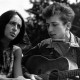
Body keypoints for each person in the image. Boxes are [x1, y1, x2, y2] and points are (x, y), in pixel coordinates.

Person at [22, 2, 80, 80]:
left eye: (54, 25)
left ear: (68, 26)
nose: (49, 30)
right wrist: (27, 74)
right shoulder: (43, 45)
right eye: (47, 25)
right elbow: (20, 62)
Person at [0, 10, 31, 80]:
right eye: (12, 23)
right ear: (3, 23)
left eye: (19, 26)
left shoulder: (16, 51)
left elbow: (19, 77)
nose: (15, 29)